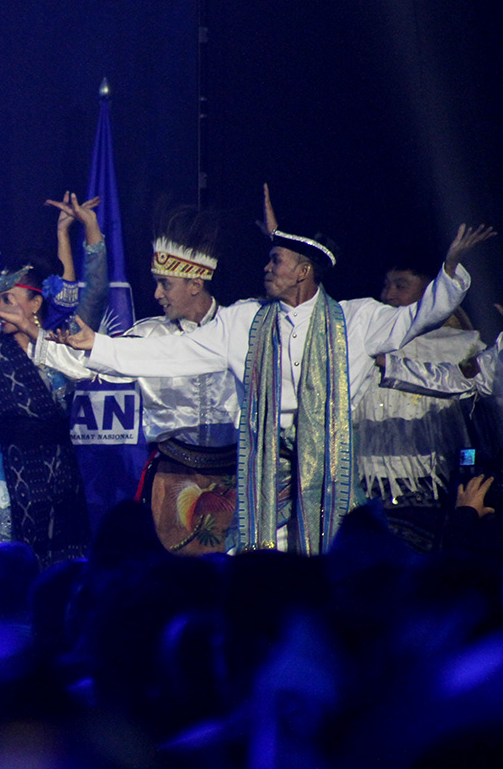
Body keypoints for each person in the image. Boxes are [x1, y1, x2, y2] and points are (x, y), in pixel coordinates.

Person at [60, 185, 491, 554]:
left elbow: (421, 316)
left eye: (276, 259)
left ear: (304, 271)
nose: (266, 267)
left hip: (328, 473)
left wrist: (450, 270)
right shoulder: (245, 320)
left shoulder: (356, 321)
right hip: (263, 471)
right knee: (262, 565)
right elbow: (171, 355)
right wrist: (96, 345)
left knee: (333, 564)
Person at [14, 206, 240, 555]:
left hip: (233, 479)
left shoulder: (240, 330)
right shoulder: (148, 336)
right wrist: (35, 334)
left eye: (165, 284)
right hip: (172, 475)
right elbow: (87, 364)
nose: (156, 295)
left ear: (196, 284)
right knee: (171, 579)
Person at [0, 262, 90, 567]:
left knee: (58, 577)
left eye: (8, 300)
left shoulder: (62, 346)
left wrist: (87, 232)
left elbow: (96, 294)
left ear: (35, 303)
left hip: (57, 480)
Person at [353, 257, 489, 548]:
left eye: (400, 286)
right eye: (386, 285)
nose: (388, 295)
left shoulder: (461, 346)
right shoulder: (364, 340)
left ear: (432, 292)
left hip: (434, 483)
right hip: (368, 483)